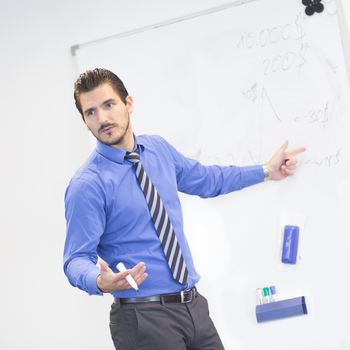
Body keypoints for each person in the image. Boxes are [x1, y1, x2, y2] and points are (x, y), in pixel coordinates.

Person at [64, 68, 305, 350]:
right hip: (142, 319)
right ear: (84, 121)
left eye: (109, 105)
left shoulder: (158, 150)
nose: (102, 118)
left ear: (128, 103)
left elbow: (207, 179)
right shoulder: (88, 184)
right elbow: (75, 259)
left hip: (193, 307)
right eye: (90, 112)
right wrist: (99, 281)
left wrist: (265, 171)